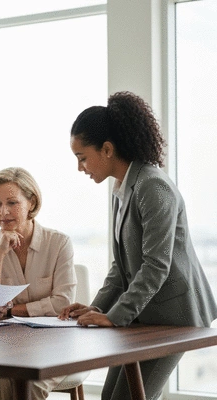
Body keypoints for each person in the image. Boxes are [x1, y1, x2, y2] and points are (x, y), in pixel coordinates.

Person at [59, 91, 217, 400]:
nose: (80, 167)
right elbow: (121, 267)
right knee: (111, 397)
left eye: (81, 157)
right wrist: (97, 308)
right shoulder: (122, 189)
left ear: (107, 149)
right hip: (148, 316)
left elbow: (156, 265)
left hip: (176, 317)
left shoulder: (152, 185)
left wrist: (114, 317)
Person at [0, 167, 77, 400]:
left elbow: (62, 303)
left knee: (30, 384)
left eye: (12, 203)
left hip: (53, 343)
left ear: (31, 203)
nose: (3, 212)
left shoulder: (58, 243)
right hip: (4, 342)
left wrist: (11, 310)